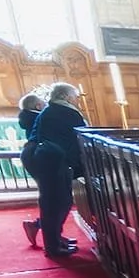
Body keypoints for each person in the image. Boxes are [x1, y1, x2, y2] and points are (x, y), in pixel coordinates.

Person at [27, 82, 87, 259]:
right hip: (52, 161)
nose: (76, 100)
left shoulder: (52, 110)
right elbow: (82, 135)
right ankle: (52, 247)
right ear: (66, 97)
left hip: (49, 159)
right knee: (54, 204)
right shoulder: (65, 112)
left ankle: (55, 239)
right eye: (74, 97)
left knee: (61, 201)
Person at [16, 91, 46, 247]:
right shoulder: (39, 117)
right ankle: (37, 226)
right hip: (39, 157)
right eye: (43, 103)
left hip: (34, 156)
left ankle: (45, 230)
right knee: (54, 198)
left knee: (52, 198)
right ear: (38, 105)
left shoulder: (28, 117)